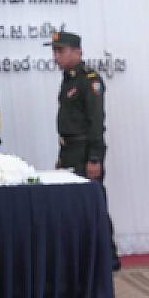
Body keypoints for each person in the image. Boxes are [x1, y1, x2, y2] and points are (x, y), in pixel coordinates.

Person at [47, 31, 120, 270]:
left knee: (94, 205)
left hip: (85, 151)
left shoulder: (90, 80)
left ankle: (109, 256)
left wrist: (95, 157)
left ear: (77, 52)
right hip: (69, 151)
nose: (56, 56)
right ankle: (84, 255)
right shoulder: (68, 79)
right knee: (72, 206)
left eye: (60, 50)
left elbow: (96, 122)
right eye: (54, 51)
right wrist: (62, 157)